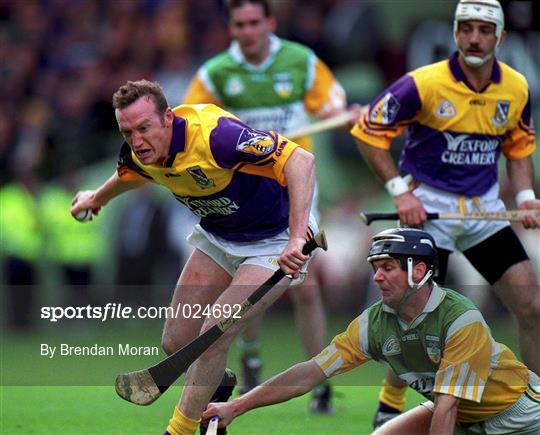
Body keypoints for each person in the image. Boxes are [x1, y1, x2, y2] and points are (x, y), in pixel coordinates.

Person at [70, 79, 317, 435]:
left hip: (274, 241)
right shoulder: (140, 153)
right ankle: (216, 388)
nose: (137, 140)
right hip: (219, 237)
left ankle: (180, 430)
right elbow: (129, 175)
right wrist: (97, 197)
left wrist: (296, 238)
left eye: (144, 128)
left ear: (167, 117)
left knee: (214, 333)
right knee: (177, 341)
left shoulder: (217, 136)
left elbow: (302, 160)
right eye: (127, 132)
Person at [351, 0, 540, 426]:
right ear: (455, 33)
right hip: (428, 213)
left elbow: (519, 147)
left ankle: (534, 402)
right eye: (466, 28)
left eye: (484, 30)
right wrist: (400, 193)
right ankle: (389, 403)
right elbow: (368, 131)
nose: (475, 38)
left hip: (483, 213)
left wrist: (525, 196)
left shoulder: (516, 87)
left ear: (500, 38)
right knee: (414, 316)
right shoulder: (421, 84)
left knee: (531, 304)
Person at [202, 228, 540, 435]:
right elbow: (310, 372)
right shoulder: (374, 322)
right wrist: (236, 407)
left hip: (521, 416)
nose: (377, 277)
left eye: (388, 268)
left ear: (419, 270)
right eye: (376, 269)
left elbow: (448, 406)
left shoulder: (459, 319)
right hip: (460, 416)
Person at [183, 0, 351, 413]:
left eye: (255, 22)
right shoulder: (216, 73)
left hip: (295, 193)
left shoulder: (301, 62)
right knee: (250, 290)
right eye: (239, 24)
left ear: (270, 22)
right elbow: (190, 125)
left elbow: (332, 107)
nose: (248, 31)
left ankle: (320, 382)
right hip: (247, 196)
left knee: (306, 288)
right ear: (231, 26)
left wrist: (343, 115)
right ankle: (252, 355)